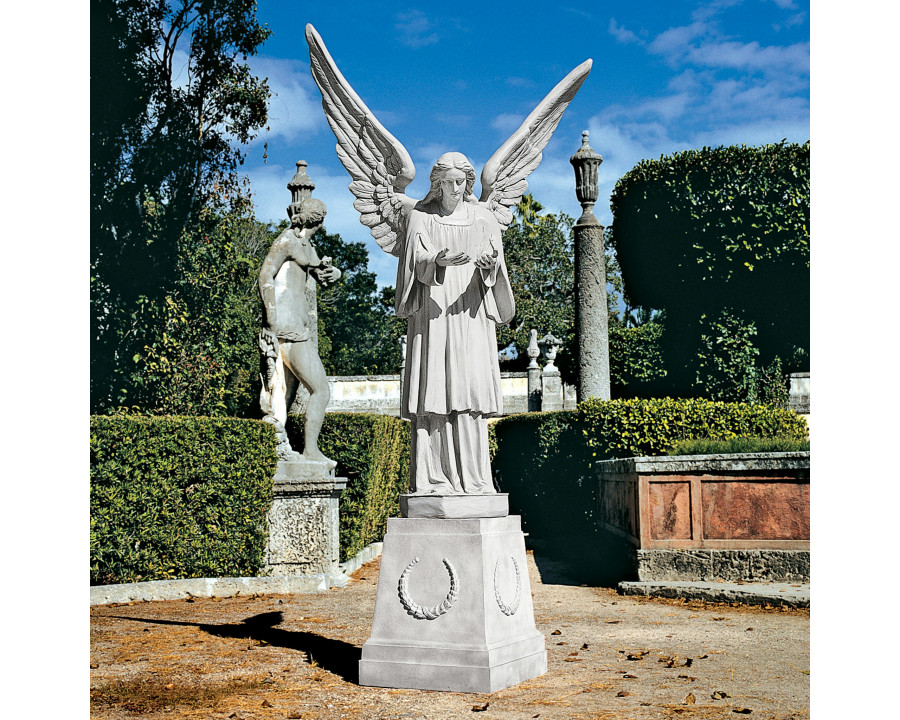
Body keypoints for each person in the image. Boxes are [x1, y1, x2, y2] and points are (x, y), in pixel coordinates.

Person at [395, 152, 515, 494]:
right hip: (434, 314)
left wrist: (489, 265)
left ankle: (475, 480)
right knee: (435, 391)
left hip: (471, 312)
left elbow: (497, 265)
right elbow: (411, 263)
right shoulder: (420, 216)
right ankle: (435, 479)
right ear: (436, 184)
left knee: (470, 392)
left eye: (459, 182)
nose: (453, 189)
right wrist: (437, 259)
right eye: (446, 183)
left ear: (468, 183)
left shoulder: (483, 218)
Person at [258, 197, 341, 467]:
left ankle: (276, 448)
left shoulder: (305, 244)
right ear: (319, 219)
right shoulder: (287, 240)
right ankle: (310, 450)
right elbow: (265, 276)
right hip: (287, 328)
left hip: (293, 326)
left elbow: (323, 276)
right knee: (321, 391)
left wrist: (334, 272)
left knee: (284, 394)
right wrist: (270, 319)